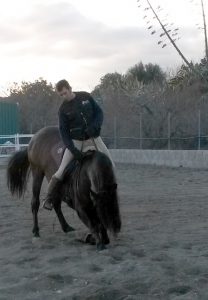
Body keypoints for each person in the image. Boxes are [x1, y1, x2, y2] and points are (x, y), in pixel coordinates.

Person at [42, 79, 115, 210]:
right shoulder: (62, 109)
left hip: (94, 139)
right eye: (61, 95)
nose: (64, 96)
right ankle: (48, 197)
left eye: (65, 93)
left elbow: (99, 113)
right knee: (61, 171)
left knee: (111, 164)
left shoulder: (85, 97)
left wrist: (94, 127)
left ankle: (110, 193)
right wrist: (72, 149)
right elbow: (63, 132)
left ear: (70, 88)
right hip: (76, 142)